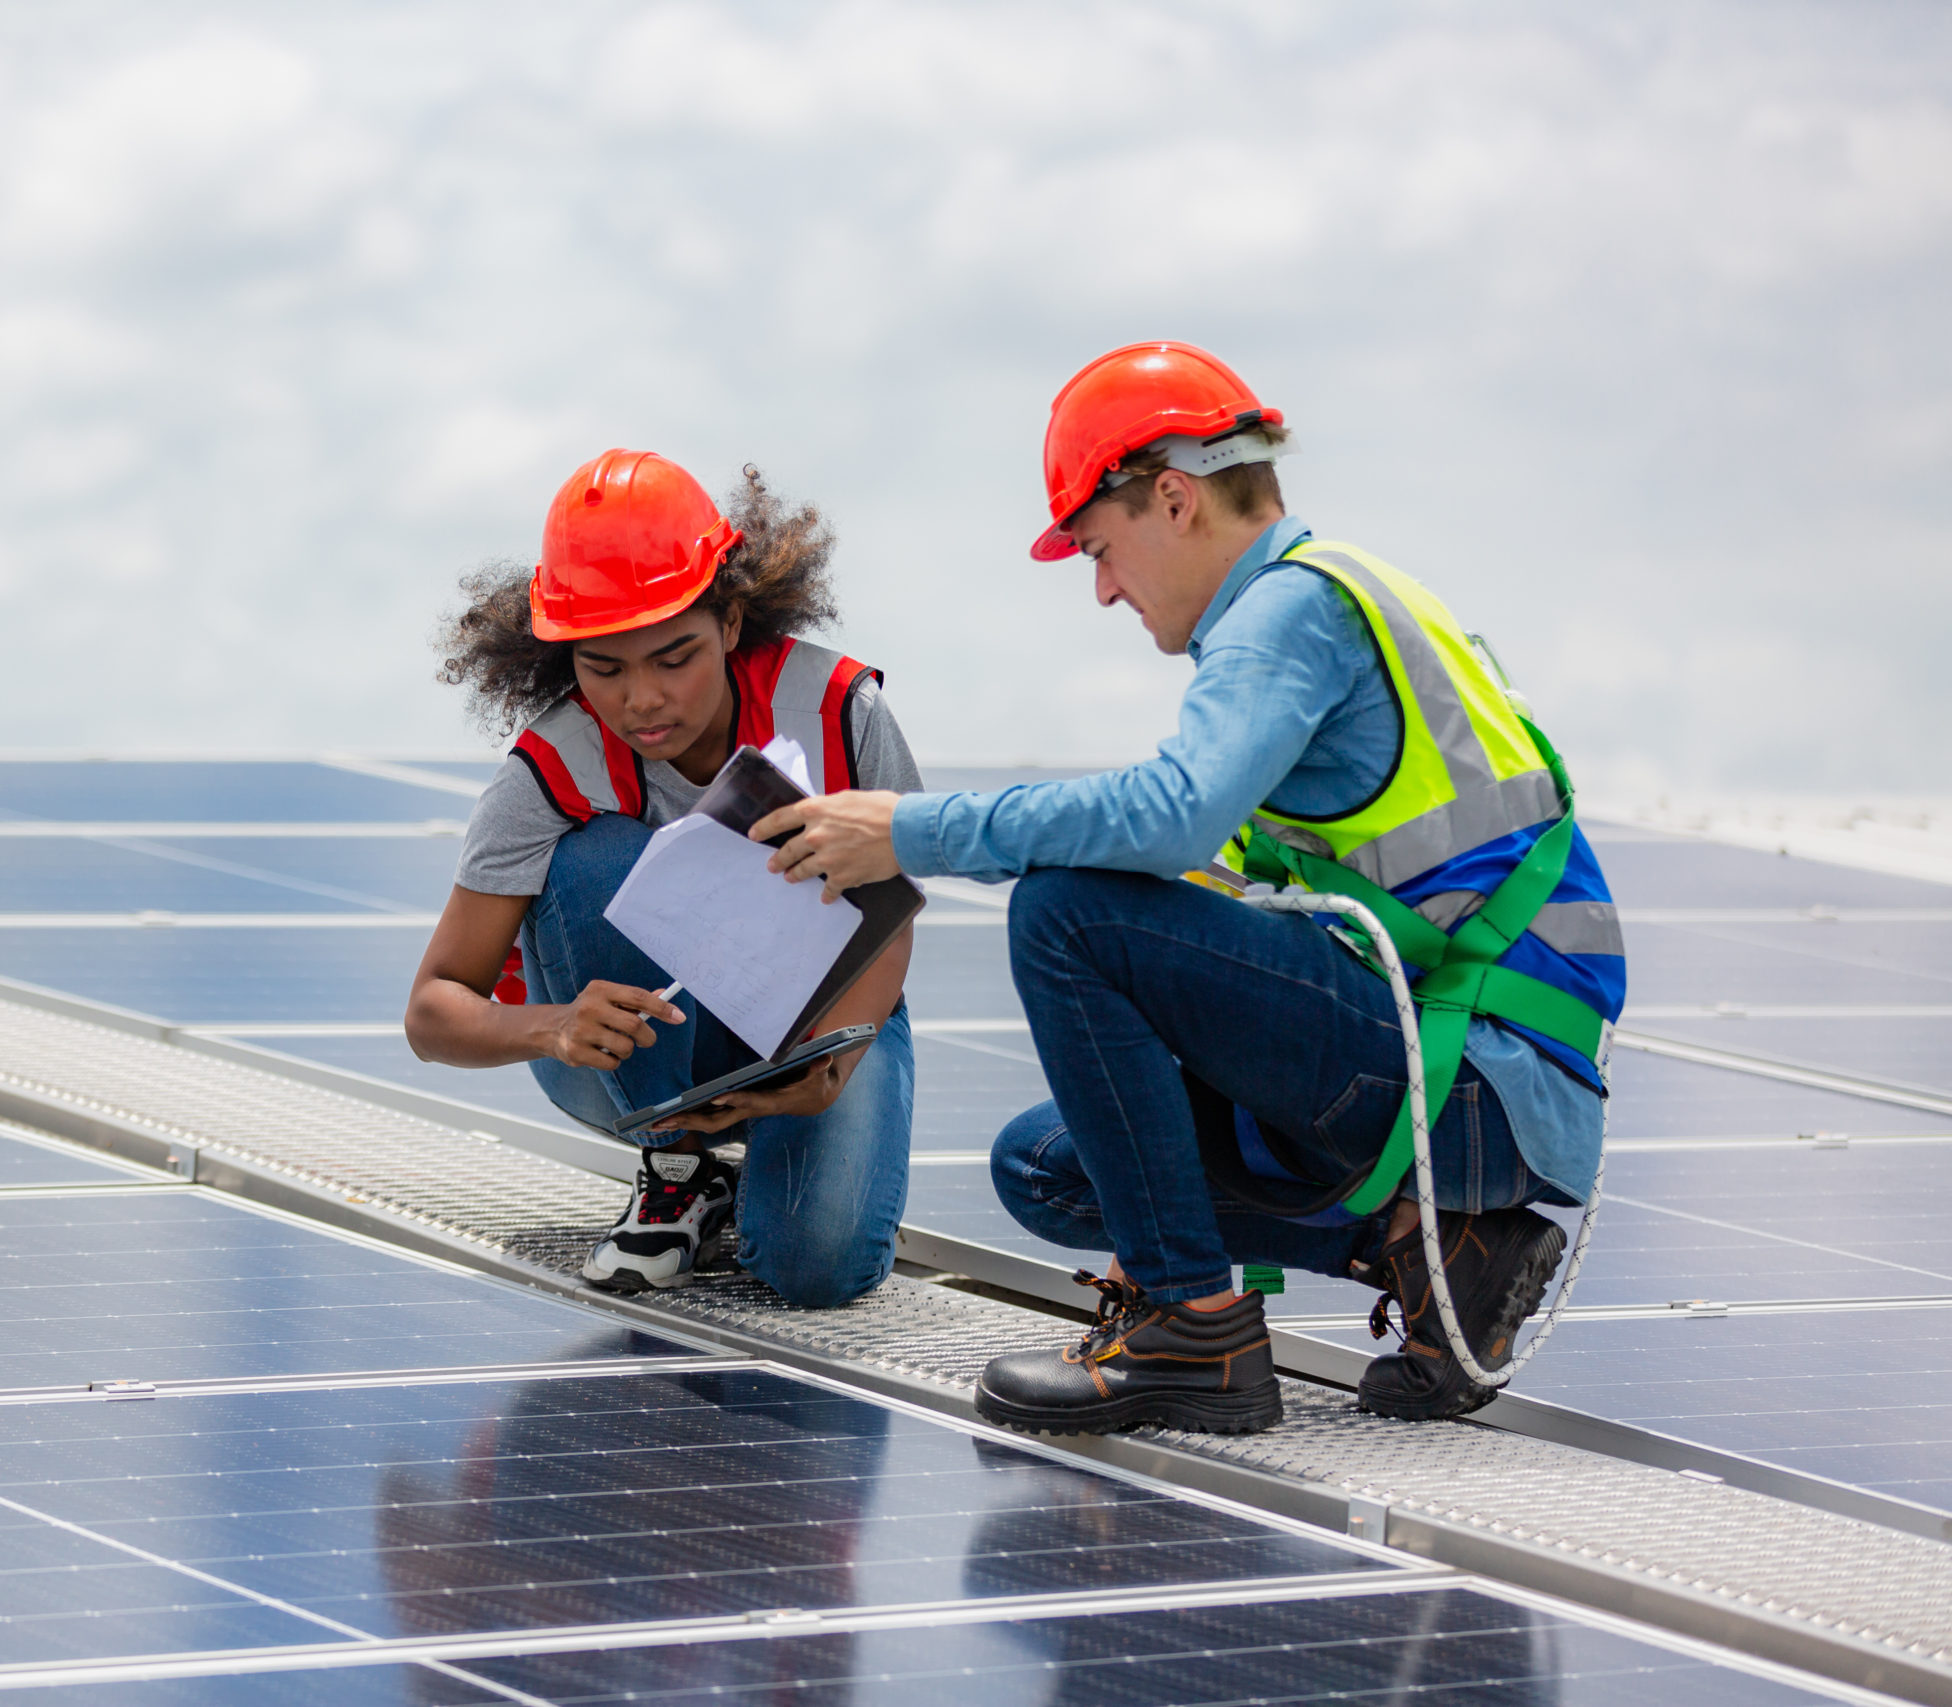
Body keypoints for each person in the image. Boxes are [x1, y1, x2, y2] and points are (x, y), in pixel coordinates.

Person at [749, 343, 1625, 1434]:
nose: (1104, 589)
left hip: (1477, 1081)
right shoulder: (1335, 606)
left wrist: (910, 833)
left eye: (1099, 550)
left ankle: (1193, 1334)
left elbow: (1168, 819)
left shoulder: (1289, 611)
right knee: (1049, 1166)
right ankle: (1440, 1247)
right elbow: (1206, 899)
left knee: (1067, 913)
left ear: (1172, 499)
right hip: (1476, 1097)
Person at [406, 448, 921, 1304]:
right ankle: (678, 1170)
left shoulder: (839, 711)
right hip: (630, 1053)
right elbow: (433, 1011)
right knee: (597, 858)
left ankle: (796, 1179)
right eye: (603, 667)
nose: (641, 698)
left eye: (673, 656)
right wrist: (553, 1026)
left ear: (730, 621)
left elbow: (891, 922)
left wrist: (832, 1068)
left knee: (815, 1267)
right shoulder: (550, 766)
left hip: (822, 1017)